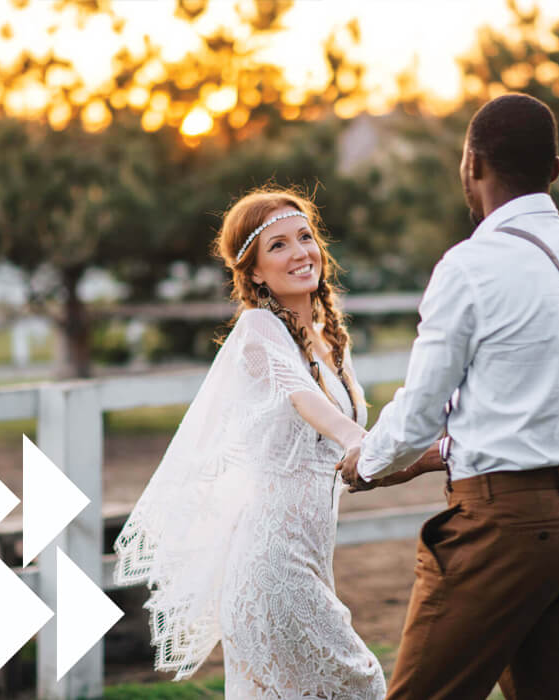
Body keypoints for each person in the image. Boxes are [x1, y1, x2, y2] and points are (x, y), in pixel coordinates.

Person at [339, 92, 559, 699]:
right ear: (554, 172)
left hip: (501, 527)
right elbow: (533, 398)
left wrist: (366, 465)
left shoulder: (470, 266)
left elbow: (422, 407)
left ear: (470, 165)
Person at [114, 187, 386, 698]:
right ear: (255, 272)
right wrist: (359, 440)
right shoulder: (259, 329)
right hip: (270, 564)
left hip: (311, 557)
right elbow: (301, 395)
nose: (300, 252)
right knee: (362, 685)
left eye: (305, 237)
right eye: (278, 245)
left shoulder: (331, 339)